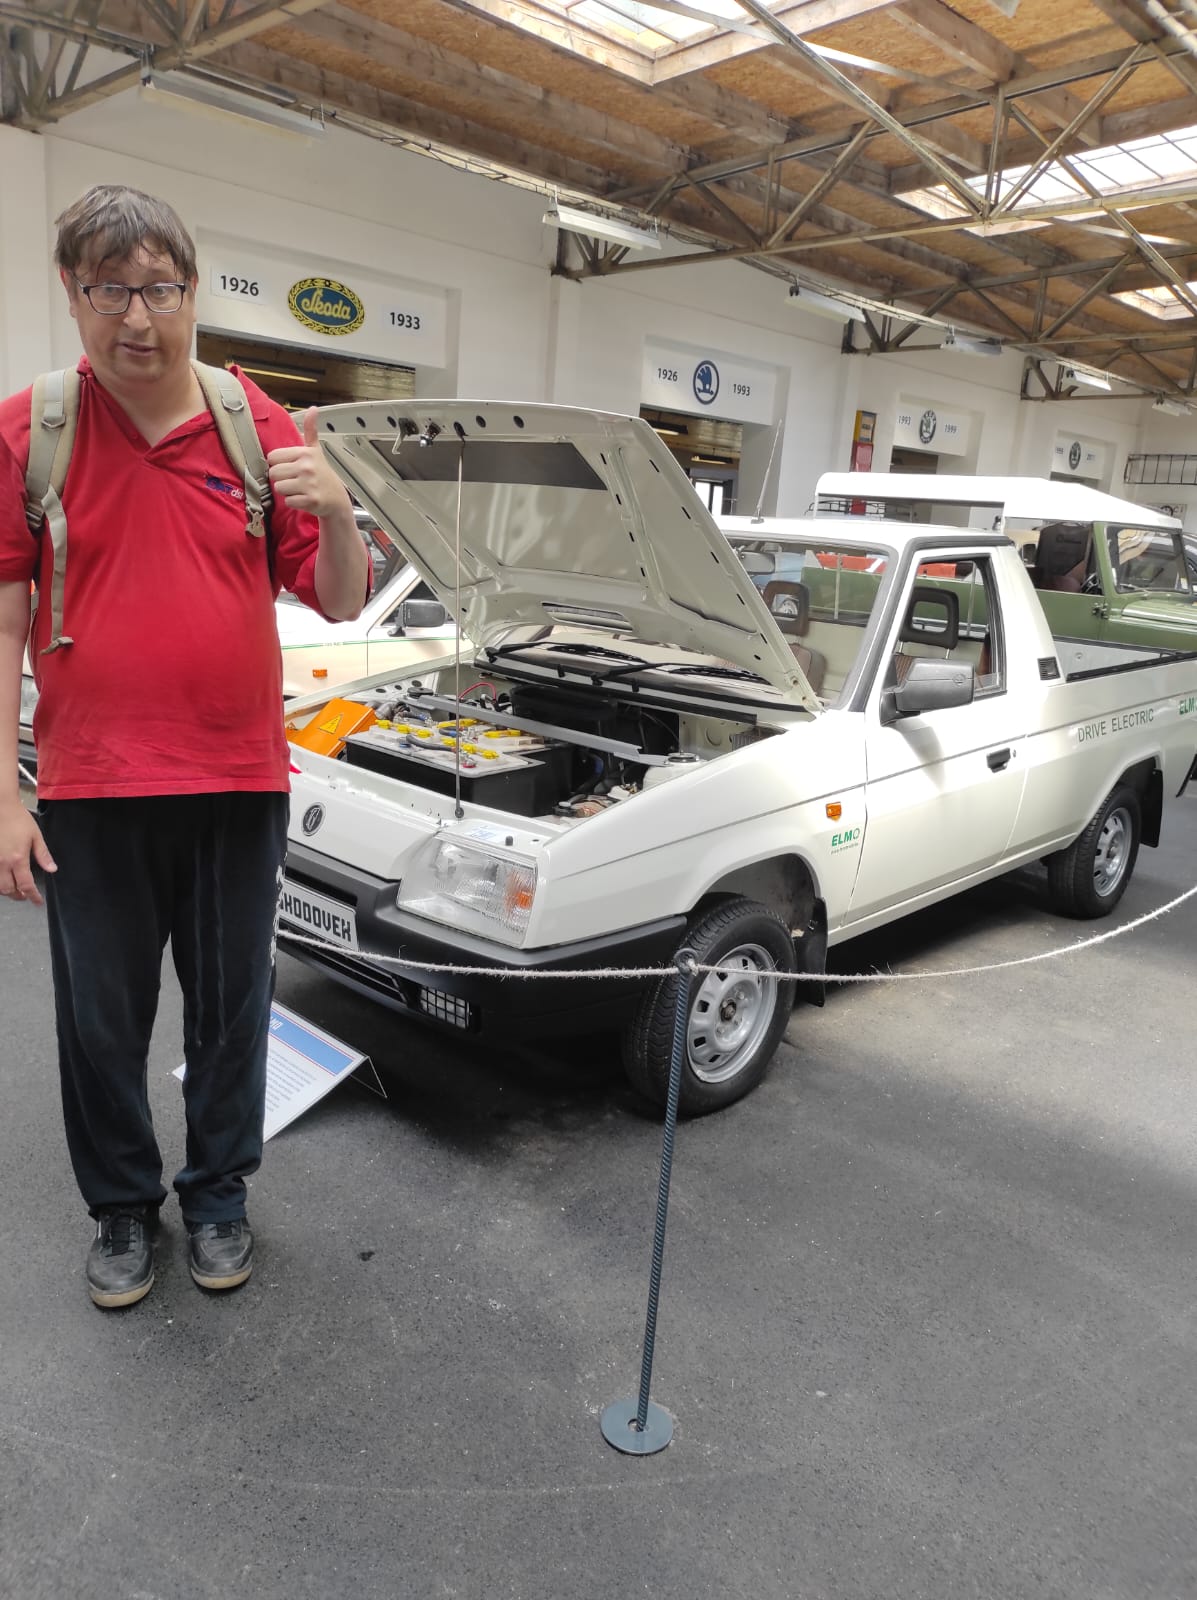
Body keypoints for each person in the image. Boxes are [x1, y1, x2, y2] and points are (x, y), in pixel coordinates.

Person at [0, 185, 368, 1308]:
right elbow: (5, 624)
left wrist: (339, 511)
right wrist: (4, 798)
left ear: (193, 291)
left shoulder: (257, 423)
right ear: (72, 294)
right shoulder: (31, 431)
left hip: (235, 783)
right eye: (109, 290)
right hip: (90, 788)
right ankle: (122, 1208)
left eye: (159, 290)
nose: (137, 318)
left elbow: (340, 599)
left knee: (230, 1014)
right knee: (99, 1027)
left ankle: (217, 1197)